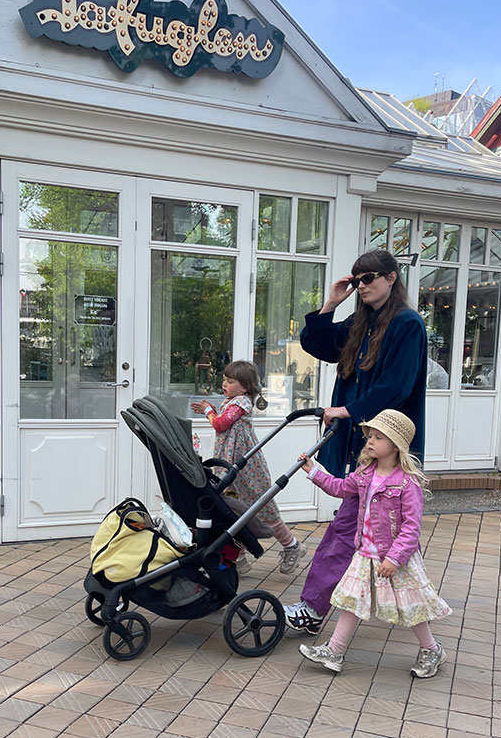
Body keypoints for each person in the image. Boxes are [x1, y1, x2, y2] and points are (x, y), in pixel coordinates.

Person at [283, 248, 427, 634]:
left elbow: (396, 386)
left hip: (386, 447)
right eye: (357, 279)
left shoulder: (407, 325)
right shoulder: (360, 323)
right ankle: (407, 608)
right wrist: (331, 302)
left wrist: (348, 410)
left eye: (369, 279)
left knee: (352, 532)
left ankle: (316, 610)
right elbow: (317, 343)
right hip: (364, 447)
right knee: (371, 533)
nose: (361, 286)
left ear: (392, 277)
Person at [297, 410, 451, 679]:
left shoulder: (407, 482)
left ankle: (432, 649)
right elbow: (340, 488)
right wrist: (314, 472)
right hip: (364, 553)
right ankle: (334, 651)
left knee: (411, 605)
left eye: (378, 438)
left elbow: (411, 527)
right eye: (370, 436)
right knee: (350, 601)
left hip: (394, 558)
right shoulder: (365, 474)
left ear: (395, 445)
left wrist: (394, 558)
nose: (370, 441)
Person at [192, 360, 306, 575]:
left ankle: (292, 546)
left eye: (230, 381)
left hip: (246, 466)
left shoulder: (242, 402)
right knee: (232, 507)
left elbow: (220, 424)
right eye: (224, 379)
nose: (224, 384)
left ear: (245, 387)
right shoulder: (231, 401)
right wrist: (213, 409)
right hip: (230, 462)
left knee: (261, 506)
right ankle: (238, 557)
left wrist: (209, 411)